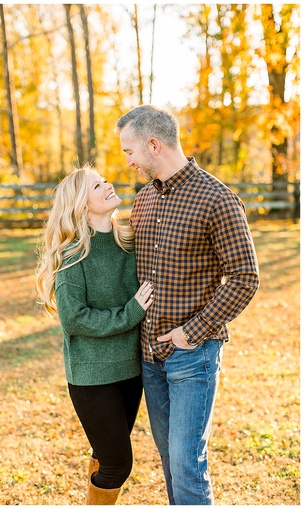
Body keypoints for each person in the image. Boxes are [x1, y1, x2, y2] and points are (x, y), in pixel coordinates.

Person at [116, 105, 260, 505]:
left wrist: (189, 334)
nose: (127, 161)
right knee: (168, 460)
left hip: (192, 356)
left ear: (153, 144)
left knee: (186, 465)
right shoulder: (143, 200)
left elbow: (246, 278)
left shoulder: (218, 199)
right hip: (148, 357)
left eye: (129, 151)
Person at [36, 165, 154, 505]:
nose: (108, 185)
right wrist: (131, 311)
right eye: (97, 185)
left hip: (131, 371)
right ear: (80, 205)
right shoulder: (74, 255)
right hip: (92, 376)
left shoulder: (130, 241)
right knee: (118, 464)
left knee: (105, 455)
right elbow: (74, 319)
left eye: (105, 180)